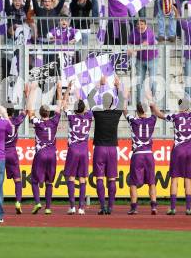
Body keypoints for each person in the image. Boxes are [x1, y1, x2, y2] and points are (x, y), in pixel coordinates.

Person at [150, 84, 191, 215]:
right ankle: (188, 208)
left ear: (179, 106)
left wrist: (153, 106)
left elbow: (160, 115)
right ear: (187, 107)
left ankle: (173, 207)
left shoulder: (175, 117)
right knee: (188, 179)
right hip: (189, 151)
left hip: (178, 151)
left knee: (175, 178)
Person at [88, 76, 124, 215]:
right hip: (112, 149)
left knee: (99, 178)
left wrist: (99, 84)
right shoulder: (116, 113)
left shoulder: (97, 112)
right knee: (112, 178)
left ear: (102, 102)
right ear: (112, 103)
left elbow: (90, 98)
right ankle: (111, 207)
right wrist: (117, 86)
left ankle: (102, 206)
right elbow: (122, 101)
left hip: (100, 149)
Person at [27, 82, 62, 215]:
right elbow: (59, 108)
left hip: (41, 153)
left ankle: (37, 202)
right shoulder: (54, 121)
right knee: (49, 182)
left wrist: (32, 91)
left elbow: (29, 111)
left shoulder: (37, 122)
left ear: (41, 113)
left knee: (34, 181)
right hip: (52, 154)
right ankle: (48, 207)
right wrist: (59, 90)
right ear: (49, 113)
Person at [62, 81, 92, 215]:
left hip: (73, 149)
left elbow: (63, 105)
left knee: (71, 177)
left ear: (75, 109)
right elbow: (91, 102)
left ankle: (72, 206)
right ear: (84, 109)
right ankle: (81, 208)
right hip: (84, 150)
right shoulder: (89, 116)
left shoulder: (72, 116)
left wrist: (68, 89)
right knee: (83, 179)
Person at [124, 102, 158, 215]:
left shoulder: (134, 121)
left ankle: (134, 207)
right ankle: (153, 206)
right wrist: (151, 101)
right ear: (146, 110)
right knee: (151, 182)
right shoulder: (152, 120)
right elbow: (155, 112)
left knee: (133, 183)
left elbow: (124, 111)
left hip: (137, 154)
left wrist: (125, 98)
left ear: (137, 111)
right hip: (149, 154)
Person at [4, 98, 27, 214]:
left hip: (0, 153)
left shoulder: (0, 122)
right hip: (12, 152)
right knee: (17, 179)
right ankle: (18, 202)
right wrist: (26, 96)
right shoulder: (16, 121)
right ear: (13, 112)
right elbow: (25, 111)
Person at [127, 19, 158, 103]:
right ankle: (139, 103)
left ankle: (153, 100)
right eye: (138, 24)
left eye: (141, 24)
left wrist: (134, 50)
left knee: (153, 82)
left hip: (152, 59)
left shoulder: (149, 32)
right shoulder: (134, 32)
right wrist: (129, 49)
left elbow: (145, 44)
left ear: (146, 25)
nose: (139, 26)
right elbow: (129, 43)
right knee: (139, 82)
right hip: (140, 60)